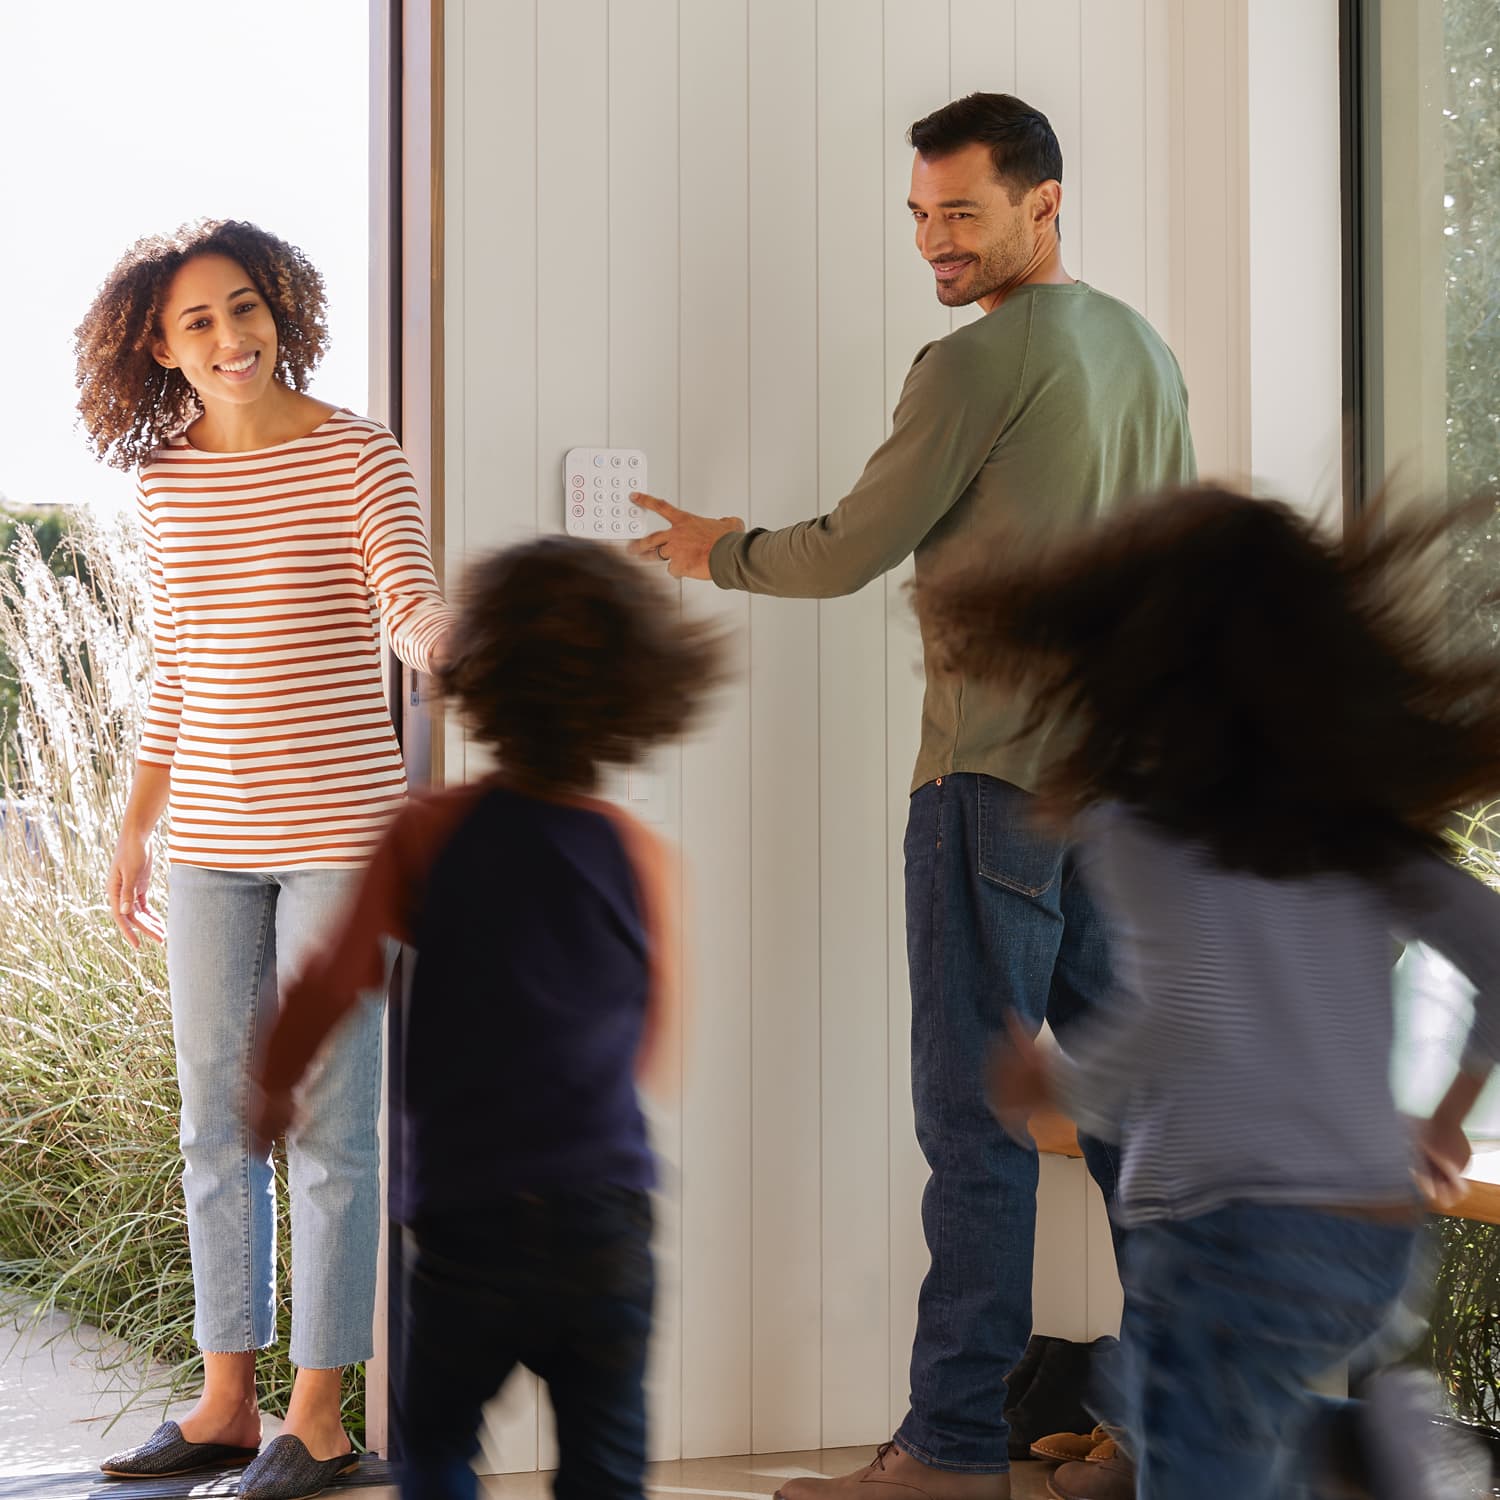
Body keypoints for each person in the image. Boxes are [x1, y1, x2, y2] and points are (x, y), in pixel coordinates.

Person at [632, 92, 1195, 1500]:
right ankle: (1169, 1438)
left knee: (980, 1127)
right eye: (920, 216)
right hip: (1126, 793)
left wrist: (718, 550)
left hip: (994, 785)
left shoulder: (974, 363)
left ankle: (948, 1453)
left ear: (1042, 206)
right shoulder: (1146, 355)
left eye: (963, 212)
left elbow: (845, 550)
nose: (935, 242)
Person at [914, 485, 1500, 1500]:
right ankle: (1363, 1450)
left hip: (1229, 1229)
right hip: (1370, 1236)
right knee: (1166, 1403)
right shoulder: (1355, 825)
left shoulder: (1147, 826)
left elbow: (1191, 1010)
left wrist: (1064, 1082)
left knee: (1194, 1453)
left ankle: (1363, 1452)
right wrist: (1449, 1114)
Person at [76, 220, 453, 1500]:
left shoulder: (357, 453)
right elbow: (176, 667)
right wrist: (137, 822)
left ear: (279, 309)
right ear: (158, 345)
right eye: (199, 322)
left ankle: (323, 1418)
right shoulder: (166, 482)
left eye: (246, 309)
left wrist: (460, 639)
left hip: (346, 841)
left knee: (334, 1128)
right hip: (213, 847)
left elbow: (407, 598)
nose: (232, 338)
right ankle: (227, 1402)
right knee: (218, 1125)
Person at [245, 537, 726, 1500]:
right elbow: (651, 1043)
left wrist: (271, 1088)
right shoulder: (638, 854)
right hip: (605, 1222)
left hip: (470, 1226)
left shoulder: (427, 831)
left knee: (437, 1456)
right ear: (632, 691)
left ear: (481, 672)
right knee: (604, 1469)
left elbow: (328, 981)